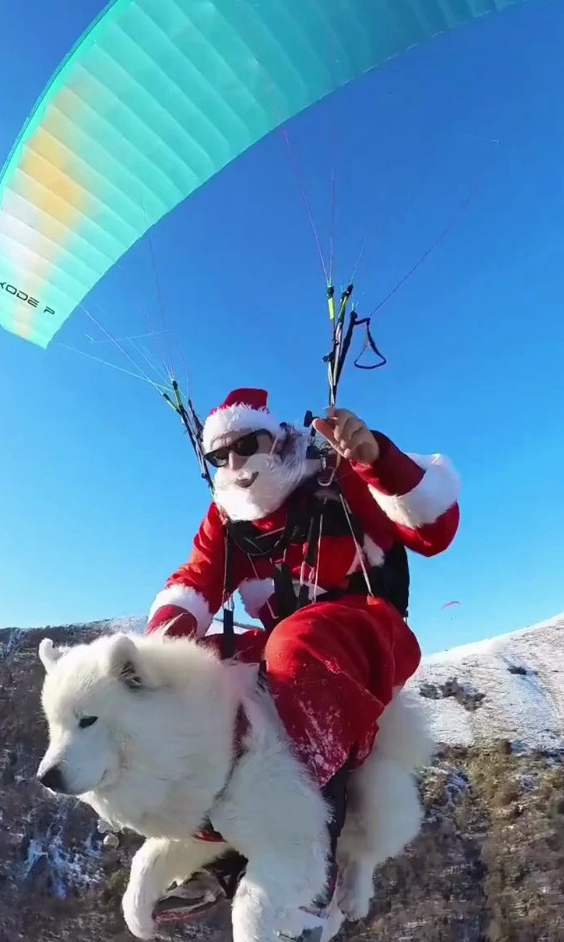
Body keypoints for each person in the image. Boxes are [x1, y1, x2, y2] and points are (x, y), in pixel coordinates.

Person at [144, 386, 460, 921]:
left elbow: (433, 529)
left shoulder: (333, 477)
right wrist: (157, 655)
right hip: (289, 647)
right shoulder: (229, 518)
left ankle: (307, 865)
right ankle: (221, 841)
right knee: (209, 669)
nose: (236, 463)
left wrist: (375, 460)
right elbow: (196, 579)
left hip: (367, 635)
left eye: (248, 444)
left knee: (298, 643)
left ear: (278, 434)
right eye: (220, 456)